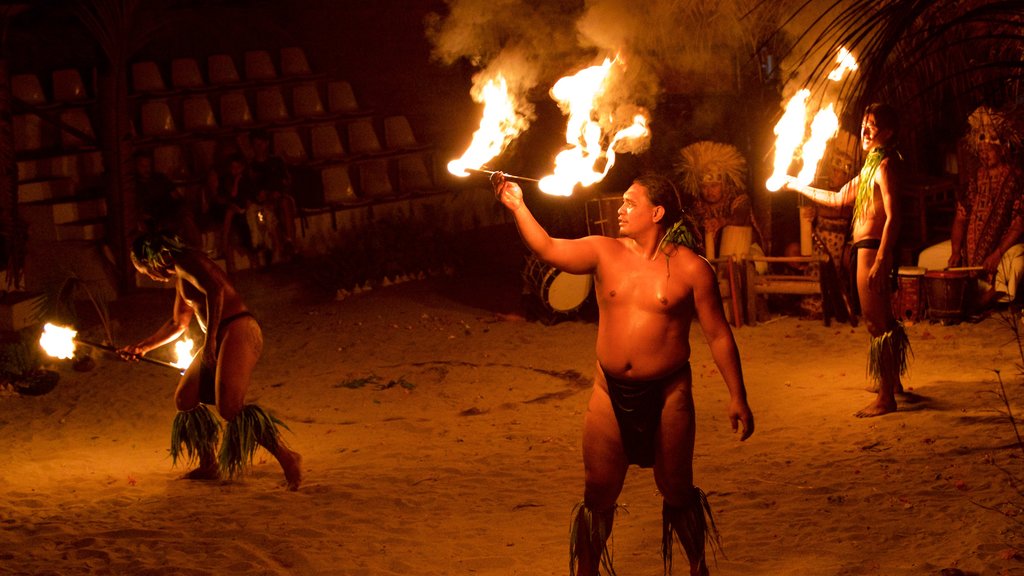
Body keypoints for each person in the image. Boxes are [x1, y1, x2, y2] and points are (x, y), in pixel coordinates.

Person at [492, 172, 754, 576]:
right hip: (608, 392)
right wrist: (517, 206)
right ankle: (587, 572)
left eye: (631, 203)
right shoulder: (604, 251)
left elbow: (718, 335)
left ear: (658, 212)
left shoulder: (691, 269)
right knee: (597, 491)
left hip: (668, 393)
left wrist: (737, 395)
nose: (621, 208)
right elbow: (547, 248)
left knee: (677, 489)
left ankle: (698, 568)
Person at [117, 231, 302, 490]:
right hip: (219, 335)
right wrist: (142, 347)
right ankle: (209, 464)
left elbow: (216, 291)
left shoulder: (188, 260)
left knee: (230, 408)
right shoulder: (181, 275)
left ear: (153, 259)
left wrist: (211, 340)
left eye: (146, 270)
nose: (150, 276)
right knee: (185, 399)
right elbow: (178, 322)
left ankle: (288, 457)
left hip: (238, 330)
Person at [785, 103, 909, 417]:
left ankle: (885, 398)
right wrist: (797, 185)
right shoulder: (871, 166)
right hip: (864, 249)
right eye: (864, 124)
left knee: (876, 323)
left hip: (871, 248)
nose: (865, 131)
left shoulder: (886, 166)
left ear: (889, 132)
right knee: (882, 320)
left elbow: (894, 216)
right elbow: (839, 198)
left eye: (873, 126)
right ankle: (892, 383)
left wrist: (882, 257)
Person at [918, 105, 1024, 309]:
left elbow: (1019, 224)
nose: (984, 155)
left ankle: (986, 296)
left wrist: (997, 253)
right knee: (927, 257)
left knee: (1015, 263)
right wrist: (956, 251)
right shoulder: (975, 178)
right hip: (970, 252)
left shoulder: (1016, 178)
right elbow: (960, 218)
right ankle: (954, 292)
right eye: (981, 150)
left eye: (989, 150)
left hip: (1006, 248)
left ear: (1002, 149)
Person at [133, 151, 202, 248]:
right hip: (153, 216)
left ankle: (196, 248)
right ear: (135, 166)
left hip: (170, 211)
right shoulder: (133, 185)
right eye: (143, 166)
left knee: (185, 217)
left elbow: (176, 195)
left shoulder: (159, 178)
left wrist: (182, 205)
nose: (146, 169)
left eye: (148, 166)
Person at [249, 130, 298, 261]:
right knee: (266, 211)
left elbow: (286, 181)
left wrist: (279, 192)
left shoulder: (277, 162)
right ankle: (278, 250)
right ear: (252, 146)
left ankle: (290, 242)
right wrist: (262, 196)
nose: (260, 147)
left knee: (286, 203)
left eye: (263, 143)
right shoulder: (251, 167)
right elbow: (251, 189)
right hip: (262, 203)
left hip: (279, 197)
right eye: (257, 144)